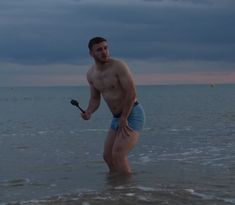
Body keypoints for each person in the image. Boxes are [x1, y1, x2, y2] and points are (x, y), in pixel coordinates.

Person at [81, 37, 145, 175]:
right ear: (91, 54)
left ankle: (128, 191)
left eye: (106, 48)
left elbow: (132, 92)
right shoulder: (91, 74)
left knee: (119, 154)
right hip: (117, 118)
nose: (104, 52)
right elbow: (94, 98)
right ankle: (115, 190)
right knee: (107, 156)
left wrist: (124, 117)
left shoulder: (118, 66)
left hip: (132, 113)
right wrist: (89, 112)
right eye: (99, 49)